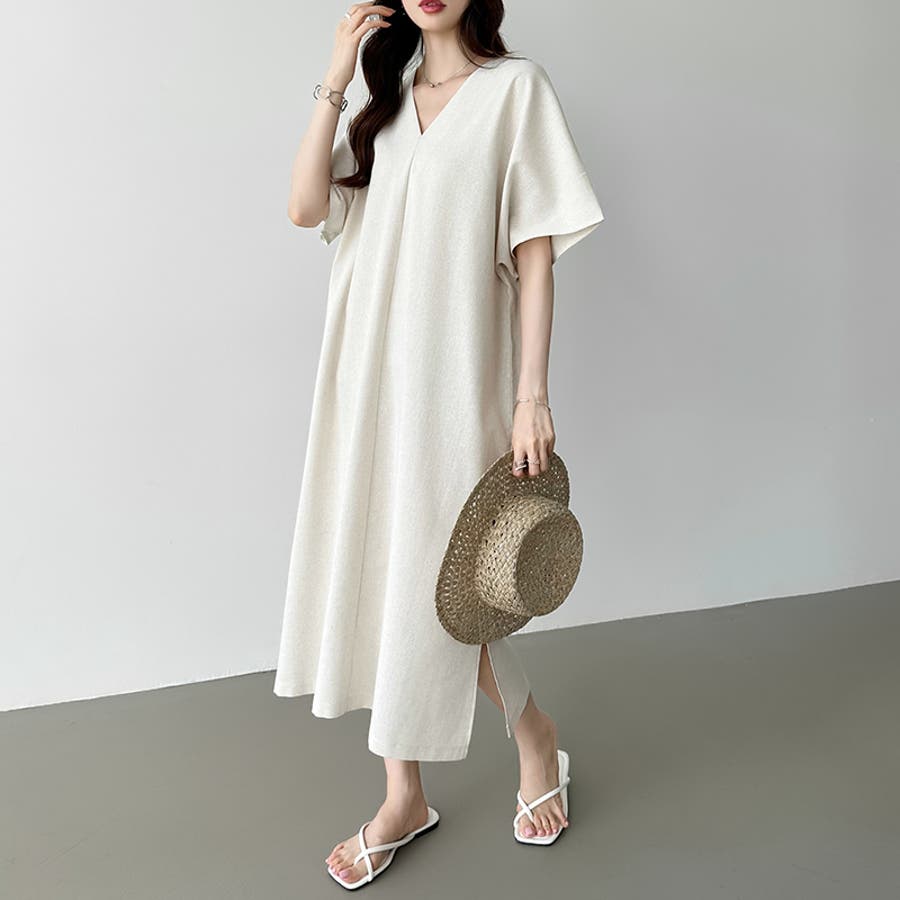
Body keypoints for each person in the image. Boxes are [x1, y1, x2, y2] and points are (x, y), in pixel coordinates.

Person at [274, 0, 604, 887]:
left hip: (458, 381)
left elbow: (534, 252)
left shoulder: (514, 91)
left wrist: (531, 395)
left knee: (448, 583)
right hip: (367, 378)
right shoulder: (383, 108)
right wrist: (336, 77)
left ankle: (533, 734)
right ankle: (404, 795)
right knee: (389, 570)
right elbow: (306, 207)